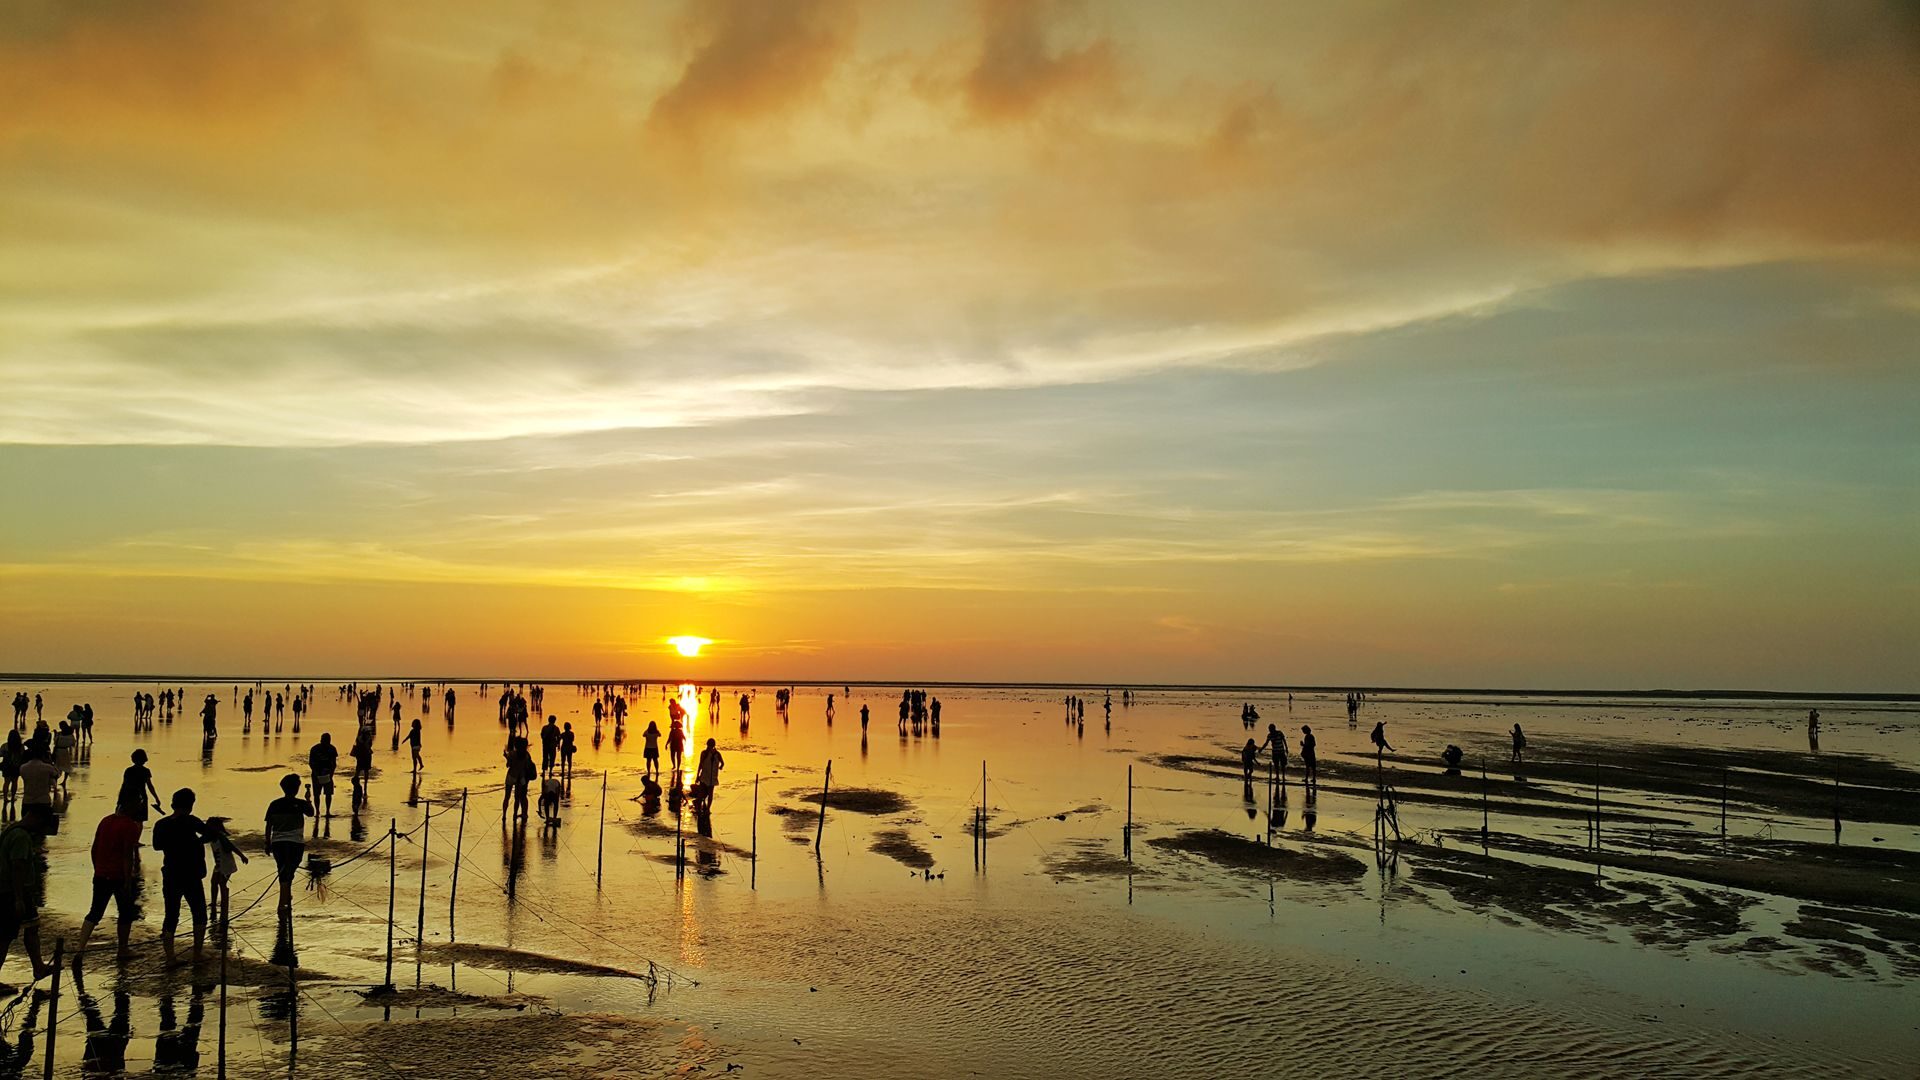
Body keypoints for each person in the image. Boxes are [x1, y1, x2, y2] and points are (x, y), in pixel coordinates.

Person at [74, 807, 143, 963]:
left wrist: (97, 868)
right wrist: (128, 879)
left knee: (95, 912)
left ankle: (80, 948)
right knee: (125, 912)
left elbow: (94, 848)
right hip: (118, 875)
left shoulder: (105, 821)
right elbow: (127, 855)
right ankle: (123, 949)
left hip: (101, 874)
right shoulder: (130, 826)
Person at [152, 789, 212, 964]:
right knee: (199, 912)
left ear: (173, 803)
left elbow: (157, 846)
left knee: (171, 914)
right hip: (191, 873)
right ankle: (197, 953)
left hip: (171, 872)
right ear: (190, 805)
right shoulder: (191, 821)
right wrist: (196, 842)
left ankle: (170, 957)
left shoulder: (161, 824)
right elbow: (209, 834)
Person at [0, 803, 52, 983]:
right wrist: (19, 898)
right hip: (13, 892)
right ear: (36, 818)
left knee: (31, 927)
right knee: (5, 936)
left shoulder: (12, 830)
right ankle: (38, 967)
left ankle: (38, 967)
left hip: (11, 891)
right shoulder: (21, 836)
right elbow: (17, 867)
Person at [264, 775, 314, 916]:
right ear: (297, 788)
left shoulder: (274, 804)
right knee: (289, 871)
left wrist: (267, 843)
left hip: (278, 843)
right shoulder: (300, 803)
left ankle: (285, 898)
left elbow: (269, 825)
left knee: (282, 870)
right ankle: (283, 903)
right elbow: (311, 813)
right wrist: (308, 799)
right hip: (295, 843)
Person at [205, 817, 247, 924]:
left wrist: (242, 856)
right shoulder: (211, 836)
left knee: (222, 883)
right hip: (218, 865)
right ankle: (213, 902)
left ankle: (224, 902)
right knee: (213, 882)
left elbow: (232, 847)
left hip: (226, 864)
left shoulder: (221, 837)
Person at [118, 750, 162, 835]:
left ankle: (129, 839)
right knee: (139, 820)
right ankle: (136, 840)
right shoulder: (145, 771)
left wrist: (120, 800)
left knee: (129, 819)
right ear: (144, 759)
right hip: (141, 797)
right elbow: (150, 786)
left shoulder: (128, 770)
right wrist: (156, 798)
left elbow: (124, 785)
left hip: (128, 796)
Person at [20, 748, 61, 824]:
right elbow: (57, 774)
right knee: (42, 828)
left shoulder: (23, 767)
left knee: (26, 826)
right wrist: (50, 763)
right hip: (43, 801)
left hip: (27, 800)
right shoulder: (47, 768)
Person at [308, 733, 339, 817]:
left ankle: (327, 811)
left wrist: (331, 774)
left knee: (328, 794)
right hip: (316, 774)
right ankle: (317, 811)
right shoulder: (314, 749)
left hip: (328, 774)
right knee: (316, 794)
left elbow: (334, 763)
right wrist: (316, 773)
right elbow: (311, 763)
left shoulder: (332, 749)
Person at [694, 738, 724, 809]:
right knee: (707, 794)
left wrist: (697, 776)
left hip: (709, 777)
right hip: (706, 777)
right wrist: (720, 767)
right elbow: (722, 763)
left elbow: (700, 765)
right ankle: (705, 808)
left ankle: (706, 808)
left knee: (706, 793)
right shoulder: (708, 753)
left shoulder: (714, 754)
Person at [350, 733, 374, 810]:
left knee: (359, 769)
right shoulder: (368, 739)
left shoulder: (359, 739)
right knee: (364, 770)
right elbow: (369, 746)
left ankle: (357, 782)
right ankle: (364, 785)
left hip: (361, 755)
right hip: (366, 755)